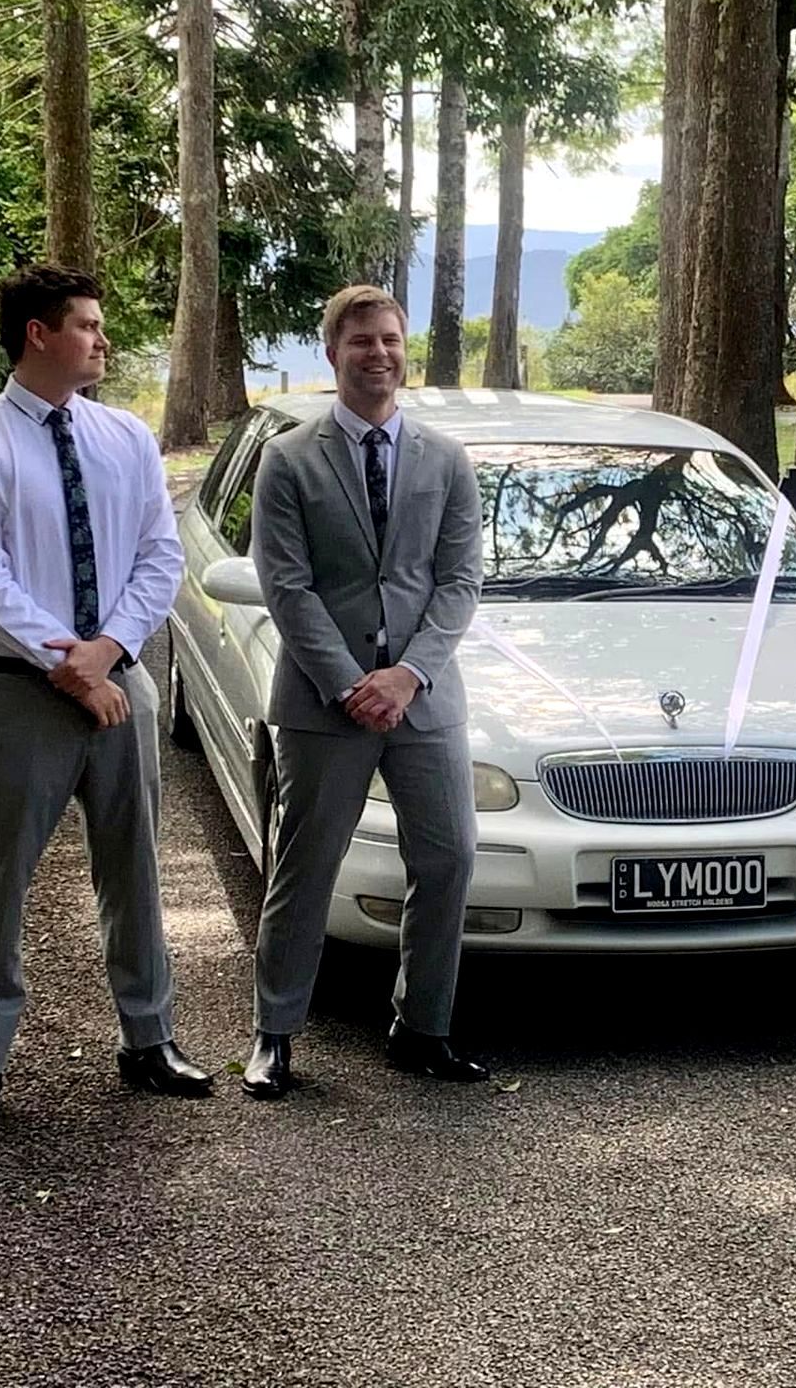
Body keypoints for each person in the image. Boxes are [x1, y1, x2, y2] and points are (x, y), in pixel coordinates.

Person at [0, 263, 211, 1136]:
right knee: (0, 879)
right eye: (86, 324)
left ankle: (148, 1039)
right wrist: (72, 666)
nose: (101, 339)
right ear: (38, 334)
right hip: (20, 696)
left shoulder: (125, 437)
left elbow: (160, 556)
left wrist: (109, 652)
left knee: (134, 868)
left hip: (121, 687)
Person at [240, 285, 486, 1099]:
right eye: (361, 342)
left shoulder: (445, 459)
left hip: (424, 698)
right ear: (332, 353)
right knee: (306, 866)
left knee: (449, 858)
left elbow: (459, 582)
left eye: (389, 339)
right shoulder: (289, 458)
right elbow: (287, 586)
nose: (378, 354)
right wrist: (351, 684)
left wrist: (408, 674)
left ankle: (423, 1027)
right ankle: (276, 1032)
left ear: (403, 348)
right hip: (324, 702)